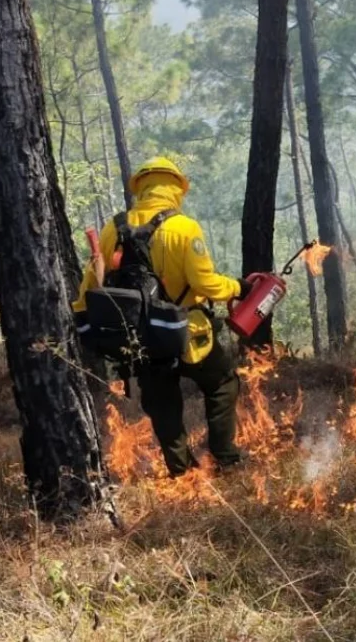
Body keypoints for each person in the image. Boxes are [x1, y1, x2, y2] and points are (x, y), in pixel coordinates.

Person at [73, 156, 250, 476]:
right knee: (223, 382)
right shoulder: (184, 227)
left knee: (162, 402)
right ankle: (225, 457)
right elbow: (205, 283)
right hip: (186, 333)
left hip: (138, 338)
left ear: (140, 187)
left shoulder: (114, 228)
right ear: (176, 188)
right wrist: (237, 287)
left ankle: (182, 471)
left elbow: (91, 285)